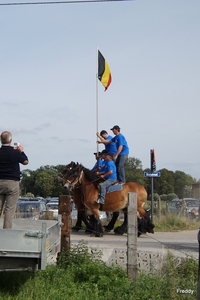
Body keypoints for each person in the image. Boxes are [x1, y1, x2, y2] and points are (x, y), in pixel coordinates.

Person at [0, 131, 29, 229]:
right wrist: (21, 151)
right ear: (11, 140)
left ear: (1, 140)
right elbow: (25, 162)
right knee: (9, 209)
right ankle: (7, 233)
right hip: (12, 182)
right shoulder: (15, 152)